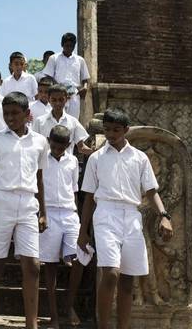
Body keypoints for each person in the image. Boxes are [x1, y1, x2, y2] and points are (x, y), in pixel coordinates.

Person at [77, 108, 174, 329]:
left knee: (128, 279)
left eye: (116, 130)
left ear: (126, 130)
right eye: (108, 129)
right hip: (105, 214)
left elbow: (151, 191)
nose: (111, 134)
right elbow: (89, 198)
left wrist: (164, 216)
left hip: (132, 215)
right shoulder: (96, 159)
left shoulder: (139, 158)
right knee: (110, 273)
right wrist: (83, 231)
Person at [0, 91, 49, 329]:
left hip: (28, 204)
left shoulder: (40, 141)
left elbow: (40, 178)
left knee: (32, 265)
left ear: (28, 114)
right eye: (6, 113)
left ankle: (31, 323)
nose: (10, 118)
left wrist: (43, 211)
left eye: (15, 113)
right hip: (1, 201)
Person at [39, 125, 84, 328]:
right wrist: (41, 213)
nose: (58, 150)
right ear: (49, 142)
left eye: (61, 147)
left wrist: (76, 214)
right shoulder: (41, 159)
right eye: (54, 146)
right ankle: (54, 314)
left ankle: (69, 303)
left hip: (69, 213)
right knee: (49, 265)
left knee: (79, 258)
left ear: (68, 145)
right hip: (48, 213)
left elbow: (74, 189)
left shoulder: (73, 161)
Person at [32, 84, 92, 155]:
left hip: (66, 164)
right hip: (46, 164)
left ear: (66, 99)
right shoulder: (39, 121)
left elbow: (81, 147)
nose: (58, 103)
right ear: (49, 99)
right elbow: (34, 145)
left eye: (61, 100)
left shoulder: (73, 122)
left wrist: (96, 152)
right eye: (54, 100)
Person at [42, 33, 89, 119]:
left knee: (73, 119)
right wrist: (60, 87)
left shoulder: (80, 60)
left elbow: (85, 78)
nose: (69, 48)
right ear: (62, 45)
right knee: (57, 117)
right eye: (66, 46)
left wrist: (85, 87)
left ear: (74, 46)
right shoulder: (54, 58)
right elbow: (48, 76)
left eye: (71, 46)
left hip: (74, 94)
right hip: (57, 93)